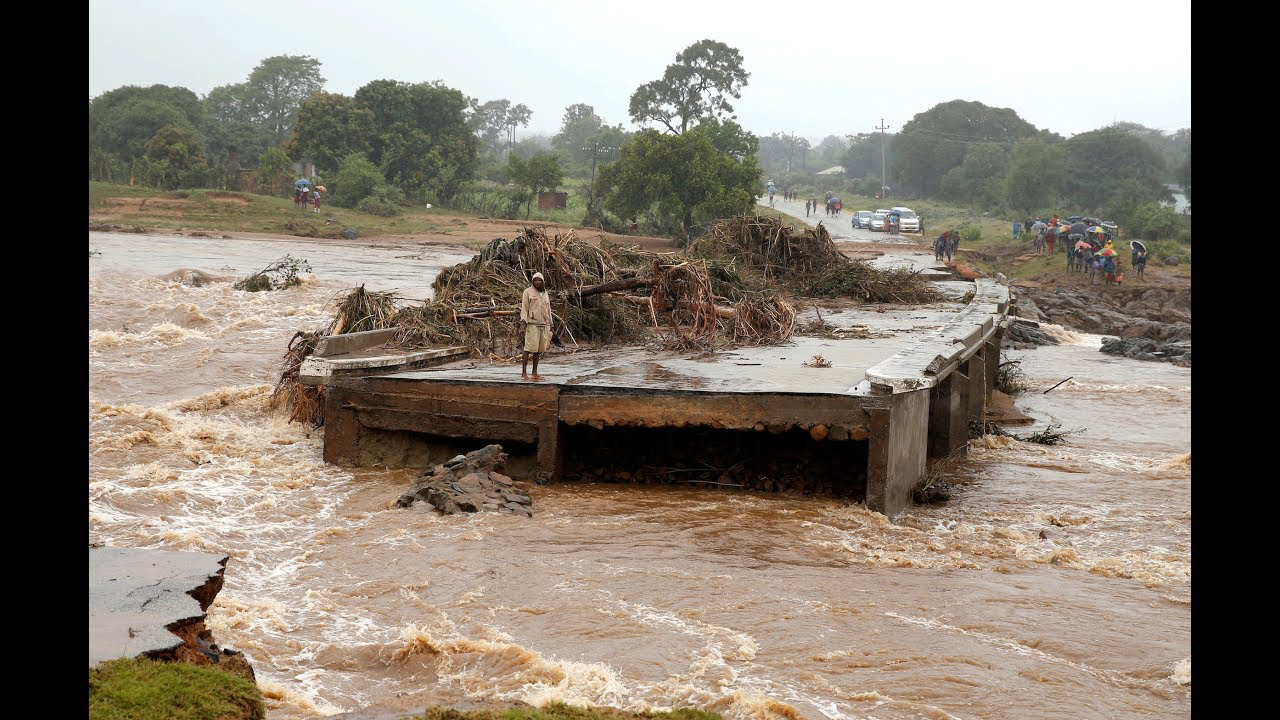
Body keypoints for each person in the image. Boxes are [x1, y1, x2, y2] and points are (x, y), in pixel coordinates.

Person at [520, 272, 553, 381]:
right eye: (535, 280)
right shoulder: (528, 292)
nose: (537, 282)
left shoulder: (545, 293)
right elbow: (524, 307)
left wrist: (551, 324)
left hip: (544, 324)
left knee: (538, 350)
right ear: (532, 281)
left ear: (543, 282)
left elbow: (549, 309)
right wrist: (523, 321)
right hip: (532, 324)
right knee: (528, 348)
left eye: (540, 280)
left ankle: (534, 372)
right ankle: (524, 373)